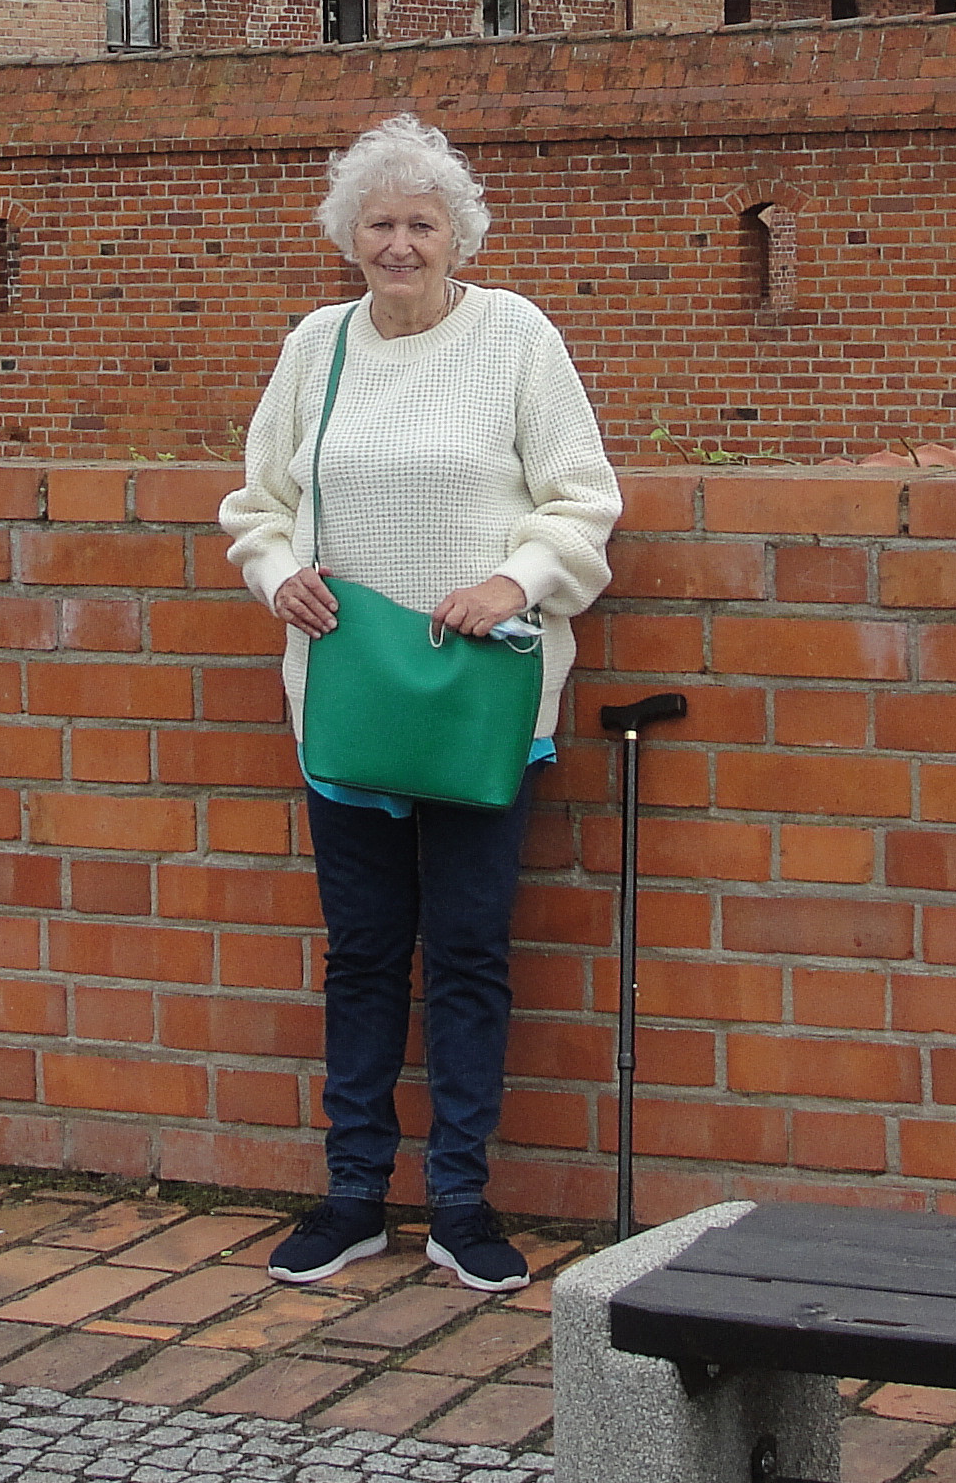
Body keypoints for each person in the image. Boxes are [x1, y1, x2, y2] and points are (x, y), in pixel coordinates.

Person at [221, 112, 620, 1296]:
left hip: (479, 695)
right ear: (350, 237)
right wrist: (275, 569)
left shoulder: (515, 338)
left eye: (421, 224)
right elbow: (261, 498)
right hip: (348, 694)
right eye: (379, 225)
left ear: (459, 237)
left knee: (466, 951)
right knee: (361, 955)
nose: (399, 245)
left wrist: (520, 578)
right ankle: (352, 1195)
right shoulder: (317, 347)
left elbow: (583, 494)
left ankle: (460, 1200)